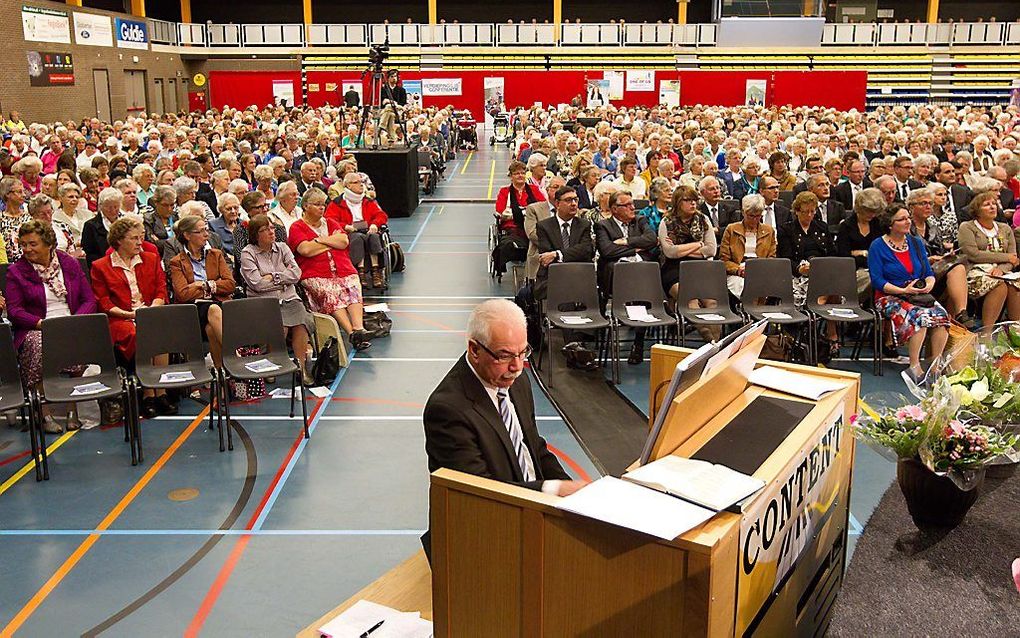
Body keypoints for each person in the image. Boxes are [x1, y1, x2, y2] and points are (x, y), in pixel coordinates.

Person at [421, 298, 588, 557]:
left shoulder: (514, 381)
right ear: (474, 350)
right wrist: (552, 490)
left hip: (529, 512)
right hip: (481, 537)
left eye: (523, 353)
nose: (517, 367)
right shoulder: (448, 410)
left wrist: (576, 495)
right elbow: (480, 494)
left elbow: (534, 447)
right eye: (505, 355)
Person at [6, 220, 98, 433]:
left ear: (49, 244)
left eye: (33, 244)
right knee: (39, 346)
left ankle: (73, 409)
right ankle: (44, 413)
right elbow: (15, 311)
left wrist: (75, 321)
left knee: (79, 342)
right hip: (36, 327)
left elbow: (89, 299)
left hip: (70, 322)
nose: (27, 249)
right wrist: (40, 324)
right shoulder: (17, 271)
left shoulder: (69, 264)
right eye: (24, 244)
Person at [90, 217, 174, 418]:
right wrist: (129, 314)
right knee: (138, 333)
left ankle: (161, 391)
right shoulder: (100, 266)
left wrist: (152, 308)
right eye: (134, 239)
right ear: (119, 241)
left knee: (160, 329)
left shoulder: (151, 259)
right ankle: (148, 394)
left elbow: (161, 290)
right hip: (120, 318)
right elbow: (103, 302)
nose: (140, 243)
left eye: (141, 237)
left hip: (149, 312)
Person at [868, 204, 950, 384]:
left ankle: (935, 366)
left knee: (941, 316)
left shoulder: (915, 242)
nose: (907, 222)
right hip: (889, 296)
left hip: (918, 294)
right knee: (918, 316)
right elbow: (877, 280)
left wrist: (929, 284)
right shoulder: (877, 246)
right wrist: (903, 291)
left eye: (908, 218)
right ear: (890, 224)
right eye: (902, 219)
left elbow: (928, 272)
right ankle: (914, 365)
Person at [289, 187, 373, 351]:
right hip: (315, 274)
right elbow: (305, 250)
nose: (322, 208)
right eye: (317, 204)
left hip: (343, 269)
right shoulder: (296, 227)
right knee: (331, 292)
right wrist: (330, 243)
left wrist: (319, 241)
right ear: (306, 206)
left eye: (323, 204)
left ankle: (358, 328)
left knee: (352, 286)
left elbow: (343, 241)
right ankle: (351, 333)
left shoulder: (331, 222)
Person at [240, 214, 315, 385]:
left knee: (302, 323)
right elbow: (257, 284)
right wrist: (282, 280)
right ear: (255, 235)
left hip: (290, 297)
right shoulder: (248, 253)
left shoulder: (283, 248)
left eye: (272, 228)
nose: (271, 232)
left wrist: (271, 277)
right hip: (263, 301)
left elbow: (296, 274)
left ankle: (301, 368)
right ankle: (272, 364)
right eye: (265, 229)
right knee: (280, 326)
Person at [168, 215, 235, 368]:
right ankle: (235, 356)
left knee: (211, 330)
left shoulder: (216, 254)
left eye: (206, 230)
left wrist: (200, 285)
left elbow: (230, 284)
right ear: (187, 235)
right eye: (201, 231)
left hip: (220, 305)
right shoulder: (177, 262)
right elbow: (183, 294)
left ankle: (221, 375)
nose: (207, 234)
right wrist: (214, 286)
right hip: (194, 310)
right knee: (212, 308)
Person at [959, 191, 1020, 334]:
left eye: (994, 204)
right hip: (975, 269)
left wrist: (1002, 269)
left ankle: (1015, 331)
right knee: (999, 285)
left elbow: (1014, 257)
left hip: (1002, 272)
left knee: (1016, 284)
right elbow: (973, 254)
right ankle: (987, 332)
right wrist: (1005, 258)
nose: (992, 207)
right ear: (977, 210)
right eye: (987, 205)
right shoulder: (967, 227)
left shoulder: (1005, 228)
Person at [907, 187, 969, 325]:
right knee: (955, 272)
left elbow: (939, 251)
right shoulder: (905, 228)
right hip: (914, 274)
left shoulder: (933, 227)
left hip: (935, 270)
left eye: (930, 203)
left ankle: (960, 314)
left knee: (957, 268)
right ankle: (955, 320)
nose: (928, 207)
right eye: (923, 203)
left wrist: (945, 255)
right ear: (911, 207)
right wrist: (928, 260)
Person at [324, 172, 389, 289]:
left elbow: (381, 215)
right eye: (357, 182)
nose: (361, 185)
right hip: (350, 232)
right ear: (348, 185)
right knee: (357, 238)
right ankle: (361, 272)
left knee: (373, 237)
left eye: (362, 182)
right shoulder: (337, 203)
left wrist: (374, 224)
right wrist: (345, 227)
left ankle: (376, 271)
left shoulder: (367, 201)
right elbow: (329, 219)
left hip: (368, 229)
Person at [533, 185, 594, 300]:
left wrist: (557, 254)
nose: (574, 204)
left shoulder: (584, 225)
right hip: (553, 276)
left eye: (575, 200)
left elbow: (586, 251)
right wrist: (572, 254)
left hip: (578, 275)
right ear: (557, 204)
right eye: (568, 200)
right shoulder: (544, 226)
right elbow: (546, 257)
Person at [493, 161, 544, 276]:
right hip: (513, 227)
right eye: (516, 173)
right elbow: (500, 211)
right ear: (511, 176)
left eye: (522, 173)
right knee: (508, 244)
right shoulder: (504, 191)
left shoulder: (534, 189)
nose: (520, 175)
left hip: (534, 226)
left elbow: (543, 206)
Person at [720, 194, 776, 298]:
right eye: (751, 216)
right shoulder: (731, 229)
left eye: (758, 216)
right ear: (743, 213)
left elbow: (771, 258)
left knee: (763, 286)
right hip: (737, 272)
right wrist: (738, 269)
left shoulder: (769, 231)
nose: (755, 220)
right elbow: (724, 260)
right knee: (745, 287)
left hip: (761, 270)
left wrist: (759, 269)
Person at [836, 187, 884, 306]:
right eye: (868, 210)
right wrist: (867, 254)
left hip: (876, 268)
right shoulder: (846, 226)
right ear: (859, 208)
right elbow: (844, 255)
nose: (872, 214)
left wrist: (859, 253)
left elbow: (882, 252)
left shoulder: (878, 224)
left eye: (874, 211)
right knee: (873, 279)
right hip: (853, 271)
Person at [81, 187, 124, 268]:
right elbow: (90, 254)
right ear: (100, 206)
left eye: (116, 206)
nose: (113, 210)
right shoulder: (90, 226)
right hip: (102, 267)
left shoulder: (125, 223)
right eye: (109, 207)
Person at [0, 176, 32, 262]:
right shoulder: (1, 219)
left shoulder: (29, 218)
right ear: (7, 194)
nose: (24, 195)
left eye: (23, 191)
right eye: (19, 192)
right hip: (5, 265)